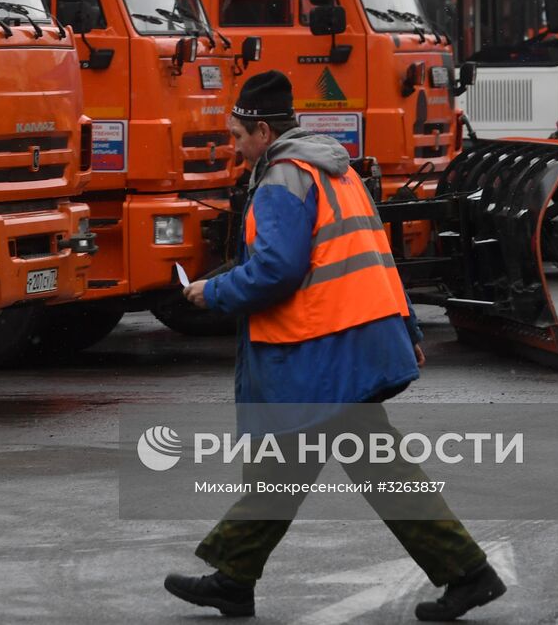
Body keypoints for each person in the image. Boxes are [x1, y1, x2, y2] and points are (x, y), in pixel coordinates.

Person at [163, 70, 506, 622]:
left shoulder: (280, 177)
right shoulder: (334, 171)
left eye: (235, 136)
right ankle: (234, 578)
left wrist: (212, 293)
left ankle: (469, 574)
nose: (233, 148)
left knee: (332, 463)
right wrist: (407, 327)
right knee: (310, 463)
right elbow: (376, 255)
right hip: (353, 339)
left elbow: (277, 270)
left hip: (322, 347)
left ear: (261, 130)